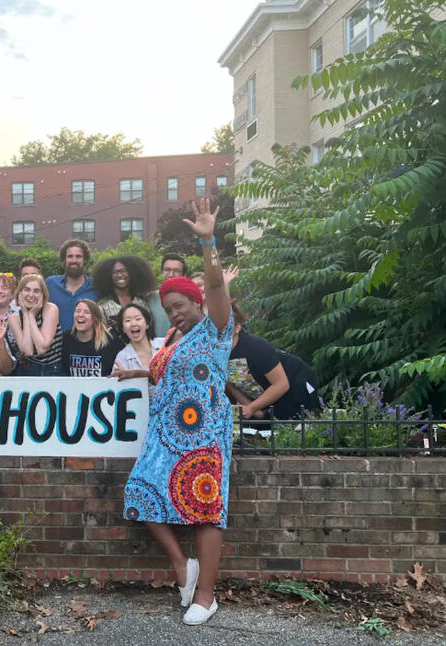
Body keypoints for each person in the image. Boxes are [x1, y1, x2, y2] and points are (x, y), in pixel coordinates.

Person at [120, 198, 233, 626]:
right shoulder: (171, 340)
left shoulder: (216, 328)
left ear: (196, 302)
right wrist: (135, 375)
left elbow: (218, 287)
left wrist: (208, 242)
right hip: (165, 434)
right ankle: (182, 568)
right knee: (140, 493)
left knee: (205, 509)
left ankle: (206, 594)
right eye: (167, 309)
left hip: (204, 434)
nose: (173, 313)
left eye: (179, 306)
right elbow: (162, 376)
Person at [227, 302, 320, 421]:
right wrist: (253, 410)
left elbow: (281, 384)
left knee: (291, 427)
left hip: (297, 382)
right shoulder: (217, 354)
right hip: (267, 395)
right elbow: (232, 386)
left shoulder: (255, 347)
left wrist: (251, 408)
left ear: (237, 327)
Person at [7, 274, 65, 376]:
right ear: (20, 293)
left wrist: (31, 315)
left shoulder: (51, 309)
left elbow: (42, 348)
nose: (31, 295)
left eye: (36, 291)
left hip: (53, 369)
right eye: (27, 290)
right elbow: (27, 351)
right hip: (28, 369)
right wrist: (26, 314)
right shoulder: (14, 318)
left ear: (43, 294)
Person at [94, 255, 161, 337]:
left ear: (132, 273)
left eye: (124, 271)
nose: (119, 275)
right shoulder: (102, 306)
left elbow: (150, 328)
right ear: (108, 276)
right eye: (114, 272)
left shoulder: (143, 302)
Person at [62, 299, 124, 377]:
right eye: (78, 311)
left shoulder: (111, 341)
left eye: (87, 312)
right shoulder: (66, 338)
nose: (80, 315)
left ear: (95, 318)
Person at [45, 239, 97, 332]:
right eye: (70, 256)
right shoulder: (51, 284)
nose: (74, 260)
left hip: (87, 345)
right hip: (56, 344)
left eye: (78, 256)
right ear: (64, 260)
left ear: (85, 260)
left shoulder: (96, 287)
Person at [112, 303, 155, 379]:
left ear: (147, 324)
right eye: (128, 320)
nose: (133, 324)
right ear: (123, 329)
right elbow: (118, 386)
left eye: (138, 319)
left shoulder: (165, 345)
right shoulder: (122, 357)